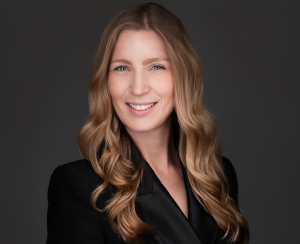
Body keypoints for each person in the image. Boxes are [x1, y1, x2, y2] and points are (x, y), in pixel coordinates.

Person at [46, 2, 250, 244]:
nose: (138, 87)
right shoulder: (81, 185)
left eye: (156, 66)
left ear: (182, 77)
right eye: (122, 67)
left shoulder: (218, 176)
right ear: (105, 80)